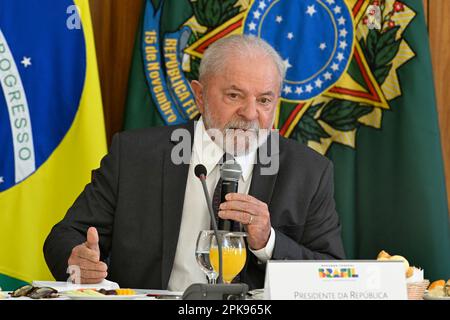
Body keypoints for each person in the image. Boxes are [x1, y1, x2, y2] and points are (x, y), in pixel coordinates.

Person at [44, 35, 345, 291]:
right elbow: (63, 237)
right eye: (234, 95)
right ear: (199, 96)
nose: (251, 114)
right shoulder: (135, 155)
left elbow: (331, 275)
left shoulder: (309, 171)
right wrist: (78, 259)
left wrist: (268, 242)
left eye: (265, 100)